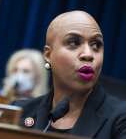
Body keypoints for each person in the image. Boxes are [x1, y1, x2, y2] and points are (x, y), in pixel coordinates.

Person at [13, 11, 126, 139]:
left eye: (96, 45)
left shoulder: (120, 120)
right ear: (48, 55)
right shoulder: (20, 111)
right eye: (74, 43)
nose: (88, 54)